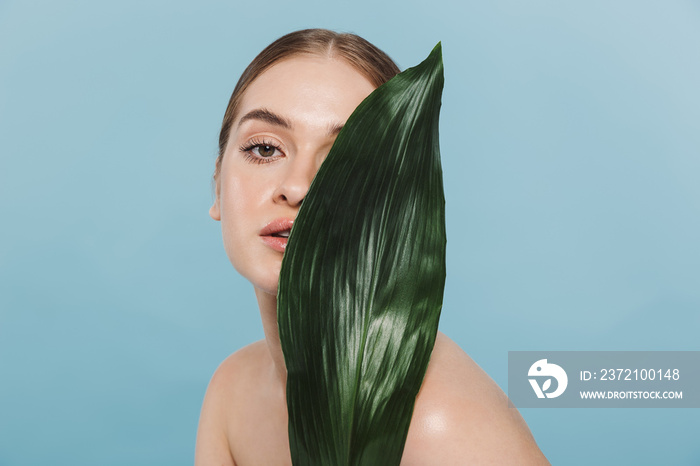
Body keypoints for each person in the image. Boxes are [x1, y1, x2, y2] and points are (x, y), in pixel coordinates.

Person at [196, 28, 549, 465]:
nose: (297, 186)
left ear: (396, 211)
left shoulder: (442, 426)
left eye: (345, 161)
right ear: (216, 185)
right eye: (265, 148)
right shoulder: (232, 391)